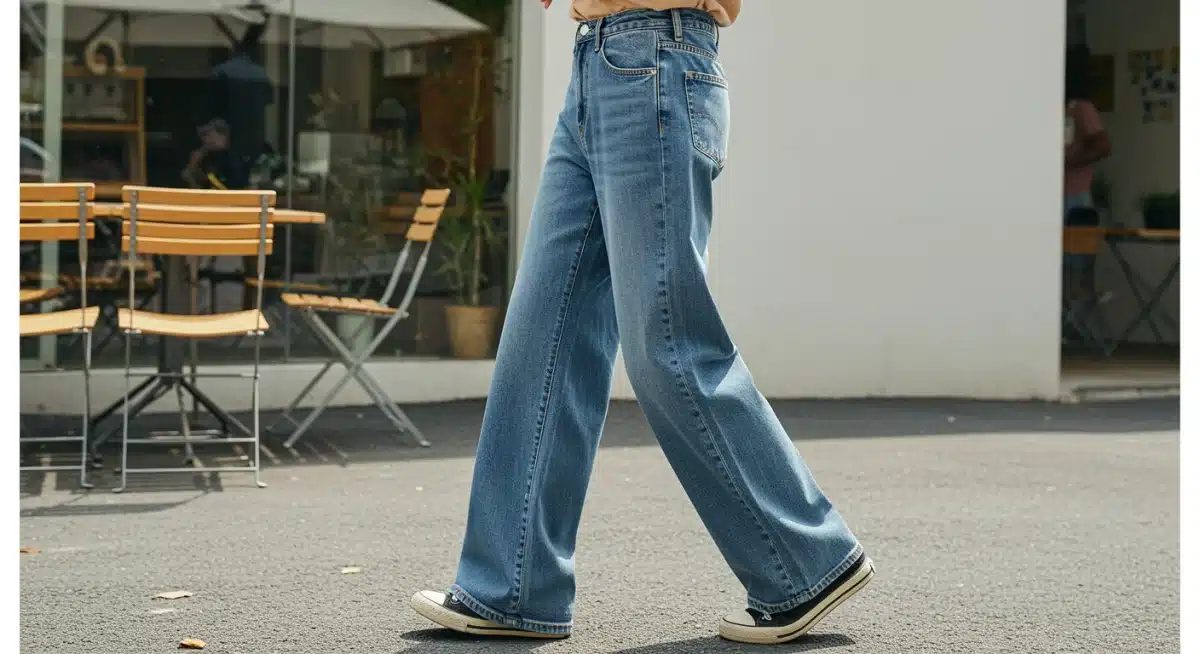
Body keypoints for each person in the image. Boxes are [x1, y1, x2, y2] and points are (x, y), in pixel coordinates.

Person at [411, 1, 873, 645]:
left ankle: (806, 559)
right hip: (597, 66)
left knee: (666, 340)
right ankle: (512, 585)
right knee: (543, 337)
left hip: (654, 57)